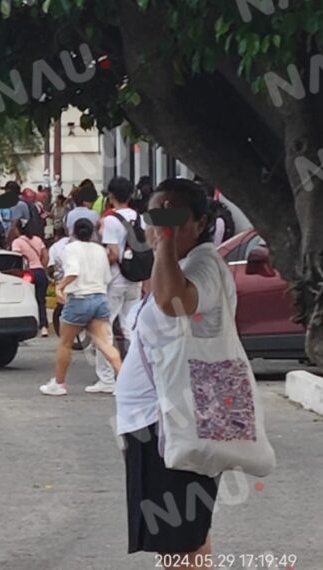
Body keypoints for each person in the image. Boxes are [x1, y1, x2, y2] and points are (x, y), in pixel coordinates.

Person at [117, 178, 235, 566]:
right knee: (187, 537)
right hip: (159, 420)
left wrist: (163, 241)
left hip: (171, 422)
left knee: (178, 542)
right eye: (155, 216)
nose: (160, 227)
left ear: (201, 223)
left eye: (174, 217)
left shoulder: (203, 267)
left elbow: (172, 303)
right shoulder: (181, 263)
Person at [40, 219, 123, 396]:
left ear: (73, 232)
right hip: (100, 298)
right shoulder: (100, 250)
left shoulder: (70, 249)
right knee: (104, 343)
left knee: (65, 343)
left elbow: (73, 272)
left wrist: (60, 286)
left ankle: (59, 384)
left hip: (79, 299)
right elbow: (107, 277)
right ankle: (124, 382)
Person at [89, 176, 142, 394]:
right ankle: (138, 376)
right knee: (132, 329)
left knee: (104, 329)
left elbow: (113, 253)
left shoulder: (111, 220)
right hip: (135, 278)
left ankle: (108, 379)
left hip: (115, 280)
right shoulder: (140, 217)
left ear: (110, 196)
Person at [11, 219, 50, 336]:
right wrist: (41, 266)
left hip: (28, 273)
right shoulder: (38, 240)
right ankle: (44, 327)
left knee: (27, 299)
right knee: (41, 300)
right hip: (40, 272)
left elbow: (17, 259)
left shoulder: (17, 242)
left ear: (17, 229)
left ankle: (28, 324)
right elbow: (45, 256)